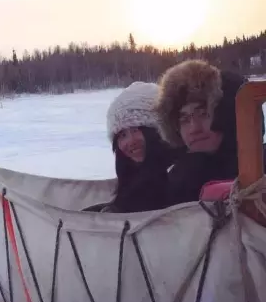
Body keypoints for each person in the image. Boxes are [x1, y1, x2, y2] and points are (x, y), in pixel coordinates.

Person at [154, 59, 265, 206]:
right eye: (184, 119)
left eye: (203, 113)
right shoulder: (175, 181)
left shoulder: (262, 166)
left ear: (227, 114)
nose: (194, 128)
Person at [95, 81, 179, 213]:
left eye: (136, 130)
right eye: (122, 135)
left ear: (159, 130)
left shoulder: (177, 175)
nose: (131, 141)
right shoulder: (132, 177)